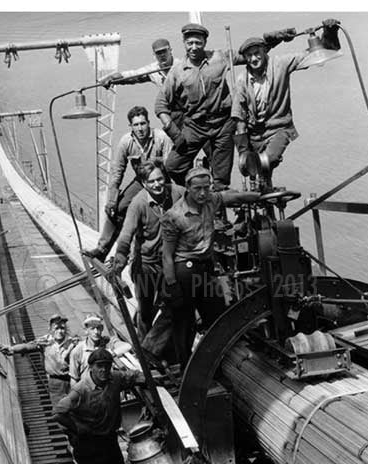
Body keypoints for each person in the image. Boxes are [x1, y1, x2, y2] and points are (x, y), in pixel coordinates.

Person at [161, 167, 259, 368]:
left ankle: (221, 360)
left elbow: (233, 198)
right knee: (184, 322)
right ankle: (185, 365)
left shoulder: (210, 201)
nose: (203, 193)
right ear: (187, 188)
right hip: (184, 270)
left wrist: (259, 195)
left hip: (206, 267)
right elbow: (167, 256)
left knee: (217, 315)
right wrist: (172, 285)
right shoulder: (174, 216)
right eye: (198, 188)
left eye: (206, 188)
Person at [232, 20, 341, 189]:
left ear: (264, 52)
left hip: (279, 128)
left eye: (257, 53)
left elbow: (315, 53)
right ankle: (265, 202)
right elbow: (239, 118)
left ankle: (264, 183)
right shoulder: (241, 81)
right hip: (255, 135)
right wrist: (243, 152)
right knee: (258, 176)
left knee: (268, 160)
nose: (254, 59)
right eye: (249, 56)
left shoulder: (281, 64)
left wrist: (330, 33)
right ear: (245, 59)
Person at [155, 23, 246, 190]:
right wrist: (174, 132)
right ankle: (196, 191)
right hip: (195, 126)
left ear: (205, 42)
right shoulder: (177, 71)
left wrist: (271, 41)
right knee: (173, 167)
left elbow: (249, 54)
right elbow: (160, 105)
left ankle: (217, 203)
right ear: (184, 43)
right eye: (190, 43)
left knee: (221, 180)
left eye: (198, 42)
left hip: (223, 125)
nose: (194, 47)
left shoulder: (219, 57)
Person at [112, 160, 182, 362]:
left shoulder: (177, 193)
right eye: (152, 181)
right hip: (145, 266)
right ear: (144, 183)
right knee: (145, 312)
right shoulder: (138, 203)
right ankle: (146, 356)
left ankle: (148, 351)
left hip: (168, 264)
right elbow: (126, 234)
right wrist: (120, 258)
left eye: (160, 179)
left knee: (174, 305)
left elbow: (199, 198)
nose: (158, 184)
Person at [85, 106, 172, 261]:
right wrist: (111, 200)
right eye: (136, 125)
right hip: (141, 181)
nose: (140, 128)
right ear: (131, 126)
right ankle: (102, 249)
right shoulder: (126, 142)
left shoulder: (161, 138)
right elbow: (117, 171)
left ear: (148, 123)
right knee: (117, 209)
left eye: (143, 124)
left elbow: (172, 168)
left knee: (166, 214)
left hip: (162, 181)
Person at [0, 314, 78, 407]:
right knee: (60, 409)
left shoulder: (72, 342)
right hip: (56, 382)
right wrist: (12, 349)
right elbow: (28, 346)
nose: (60, 331)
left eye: (62, 328)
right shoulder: (46, 341)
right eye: (56, 328)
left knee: (75, 408)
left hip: (73, 380)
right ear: (51, 328)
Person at [100, 38, 175, 89]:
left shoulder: (181, 65)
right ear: (154, 55)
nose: (162, 55)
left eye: (164, 51)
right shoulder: (152, 69)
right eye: (158, 53)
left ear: (170, 50)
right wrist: (111, 78)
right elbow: (132, 75)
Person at [69, 313, 111, 389]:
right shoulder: (77, 351)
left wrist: (112, 353)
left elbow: (127, 346)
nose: (96, 332)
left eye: (98, 328)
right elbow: (74, 378)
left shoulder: (107, 344)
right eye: (92, 328)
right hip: (88, 392)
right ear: (86, 330)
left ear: (102, 329)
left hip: (106, 390)